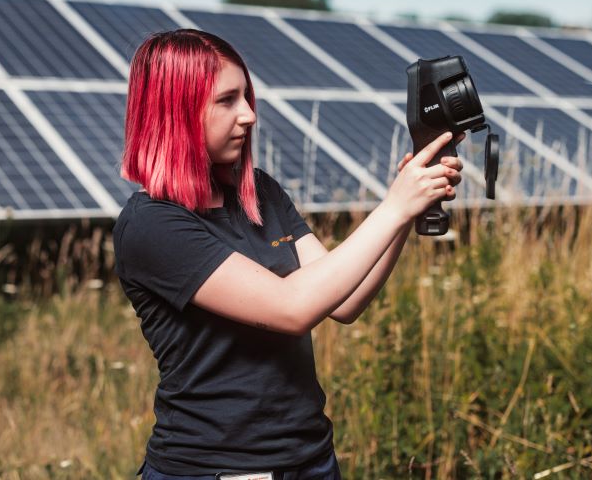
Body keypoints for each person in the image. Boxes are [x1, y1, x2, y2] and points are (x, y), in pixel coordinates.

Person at [114, 29, 464, 479]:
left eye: (247, 96)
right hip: (222, 469)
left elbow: (344, 301)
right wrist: (394, 205)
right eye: (226, 101)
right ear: (176, 111)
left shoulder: (259, 191)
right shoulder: (153, 224)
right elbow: (291, 307)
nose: (248, 115)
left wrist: (405, 213)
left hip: (310, 458)